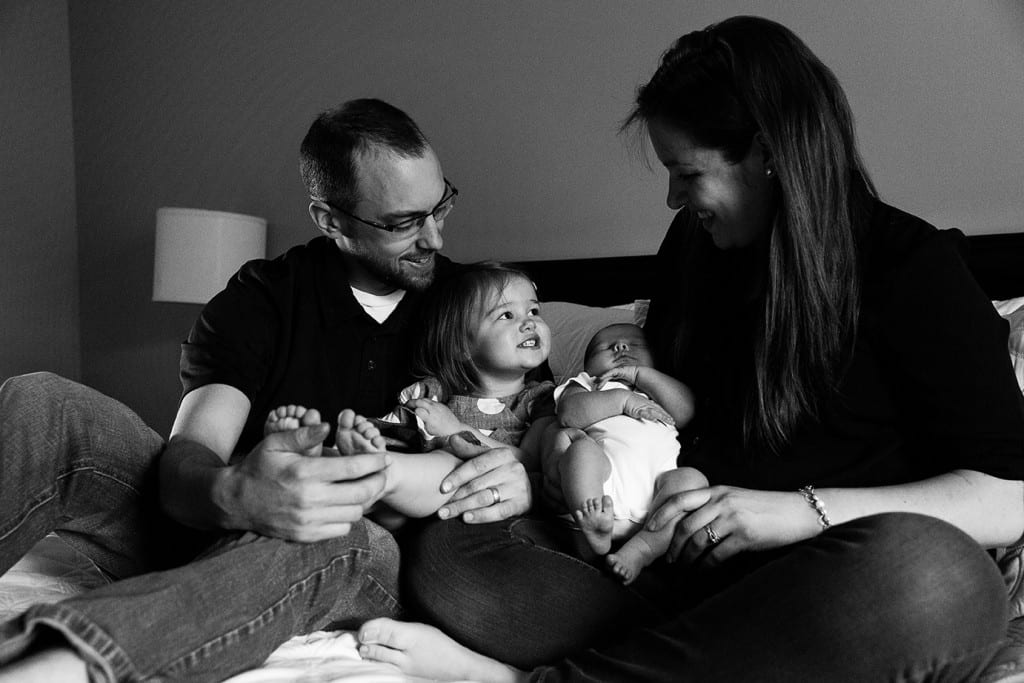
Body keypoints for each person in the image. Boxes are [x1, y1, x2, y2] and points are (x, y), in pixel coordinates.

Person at [363, 16, 1024, 682]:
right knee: (450, 555)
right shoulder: (695, 249)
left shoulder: (915, 270)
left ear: (766, 153)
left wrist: (798, 511)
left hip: (821, 580)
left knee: (940, 580)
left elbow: (1008, 495)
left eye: (687, 172)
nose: (675, 197)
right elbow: (656, 419)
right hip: (667, 569)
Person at [0, 99, 531, 682]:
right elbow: (190, 457)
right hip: (215, 531)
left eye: (440, 207)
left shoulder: (484, 306)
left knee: (333, 527)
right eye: (404, 222)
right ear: (330, 220)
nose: (433, 235)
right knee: (44, 403)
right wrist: (237, 491)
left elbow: (549, 425)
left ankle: (60, 666)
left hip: (362, 556)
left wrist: (521, 471)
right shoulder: (263, 297)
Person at [263, 262, 559, 520]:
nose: (529, 322)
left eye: (533, 310)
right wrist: (367, 434)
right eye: (506, 315)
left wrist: (456, 430)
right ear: (461, 346)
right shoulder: (437, 393)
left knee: (448, 459)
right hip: (414, 500)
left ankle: (358, 472)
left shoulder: (542, 399)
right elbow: (396, 427)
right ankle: (322, 458)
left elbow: (530, 461)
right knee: (390, 484)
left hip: (466, 487)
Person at [552, 322, 703, 583]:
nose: (620, 346)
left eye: (635, 344)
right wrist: (624, 401)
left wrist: (640, 375)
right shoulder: (588, 384)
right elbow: (569, 414)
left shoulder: (658, 390)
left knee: (692, 480)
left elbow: (686, 411)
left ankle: (640, 551)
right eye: (604, 347)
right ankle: (594, 531)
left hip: (659, 496)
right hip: (601, 489)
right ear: (587, 365)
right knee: (582, 452)